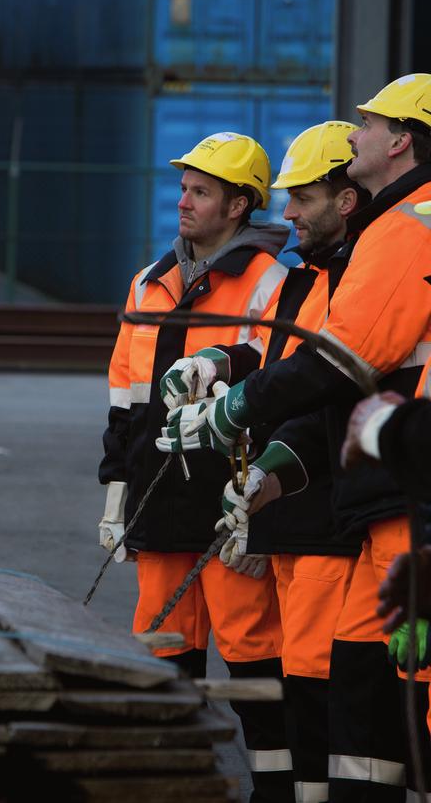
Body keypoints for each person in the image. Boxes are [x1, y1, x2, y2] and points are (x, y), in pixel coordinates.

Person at [160, 73, 431, 799]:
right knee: (356, 708)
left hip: (392, 504)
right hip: (372, 499)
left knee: (363, 700)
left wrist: (236, 410)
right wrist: (267, 467)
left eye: (368, 125)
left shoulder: (403, 230)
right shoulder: (348, 255)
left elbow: (341, 367)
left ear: (400, 140)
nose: (356, 133)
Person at [99, 131, 293, 801]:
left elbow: (279, 394)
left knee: (252, 660)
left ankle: (277, 786)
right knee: (161, 657)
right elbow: (126, 399)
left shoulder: (272, 283)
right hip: (159, 499)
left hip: (228, 502)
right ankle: (170, 782)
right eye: (184, 188)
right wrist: (115, 492)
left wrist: (262, 507)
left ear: (239, 205)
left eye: (201, 191)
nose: (183, 201)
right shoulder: (151, 283)